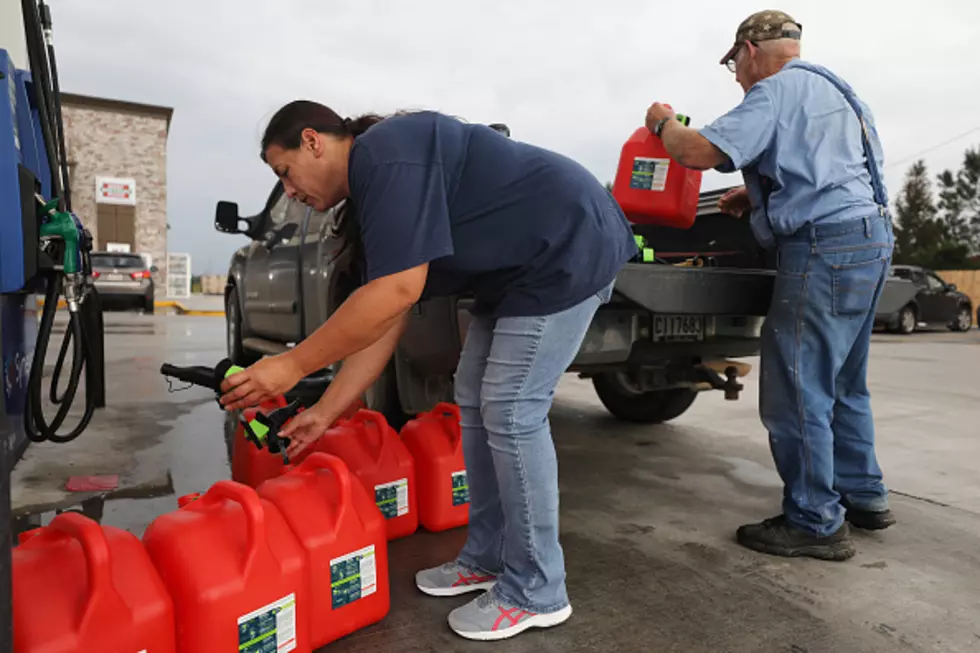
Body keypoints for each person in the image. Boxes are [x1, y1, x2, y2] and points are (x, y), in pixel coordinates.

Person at [218, 101, 638, 639]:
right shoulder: (372, 195)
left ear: (314, 140)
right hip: (516, 275)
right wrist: (324, 412)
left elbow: (397, 290)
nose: (291, 191)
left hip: (566, 246)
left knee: (510, 410)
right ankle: (487, 556)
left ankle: (537, 588)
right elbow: (387, 315)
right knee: (473, 397)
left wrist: (291, 365)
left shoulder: (388, 155)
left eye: (285, 172)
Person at [642, 10, 896, 561]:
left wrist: (662, 121)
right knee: (845, 380)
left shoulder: (774, 92)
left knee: (798, 388)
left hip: (824, 247)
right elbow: (826, 171)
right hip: (871, 239)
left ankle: (814, 520)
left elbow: (696, 151)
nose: (735, 76)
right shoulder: (841, 92)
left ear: (749, 51)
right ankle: (864, 495)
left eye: (734, 64)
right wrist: (756, 196)